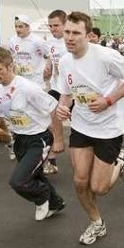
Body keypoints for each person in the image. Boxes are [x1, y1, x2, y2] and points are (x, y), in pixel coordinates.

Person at [55, 11, 124, 245]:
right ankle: (96, 223)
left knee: (99, 188)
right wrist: (63, 107)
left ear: (88, 35)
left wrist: (109, 100)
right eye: (67, 32)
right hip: (82, 126)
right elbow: (66, 94)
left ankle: (121, 161)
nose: (70, 38)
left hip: (109, 129)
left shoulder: (106, 57)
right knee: (80, 181)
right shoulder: (64, 61)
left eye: (76, 33)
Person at [0, 47, 66, 221]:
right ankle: (56, 203)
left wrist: (58, 140)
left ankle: (42, 199)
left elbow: (53, 108)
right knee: (35, 174)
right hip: (19, 139)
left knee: (19, 181)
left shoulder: (27, 88)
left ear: (10, 66)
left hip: (38, 139)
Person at [42, 9, 68, 175]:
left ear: (65, 24)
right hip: (57, 86)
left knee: (84, 128)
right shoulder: (50, 42)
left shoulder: (71, 41)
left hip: (74, 91)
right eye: (50, 26)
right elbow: (51, 59)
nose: (53, 29)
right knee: (50, 114)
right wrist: (48, 68)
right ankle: (52, 158)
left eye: (56, 25)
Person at [7, 14, 48, 88]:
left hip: (36, 80)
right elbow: (10, 57)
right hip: (21, 79)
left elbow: (48, 55)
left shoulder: (38, 41)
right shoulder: (12, 41)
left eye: (20, 27)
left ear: (28, 27)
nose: (17, 30)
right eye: (16, 27)